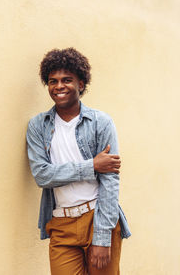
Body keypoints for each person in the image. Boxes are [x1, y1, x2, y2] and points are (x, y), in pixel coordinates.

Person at [26, 47, 131, 275]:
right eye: (52, 81)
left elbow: (110, 181)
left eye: (67, 80)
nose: (59, 86)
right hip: (61, 224)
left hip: (98, 217)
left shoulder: (101, 122)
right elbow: (42, 175)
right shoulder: (37, 126)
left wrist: (102, 238)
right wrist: (91, 165)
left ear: (81, 84)